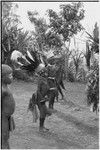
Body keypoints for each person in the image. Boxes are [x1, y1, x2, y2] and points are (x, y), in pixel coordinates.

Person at [1, 64, 15, 149]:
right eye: (10, 75)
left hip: (7, 117)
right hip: (2, 118)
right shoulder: (2, 89)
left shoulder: (6, 87)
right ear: (2, 77)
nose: (12, 77)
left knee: (6, 134)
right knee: (3, 135)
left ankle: (5, 145)